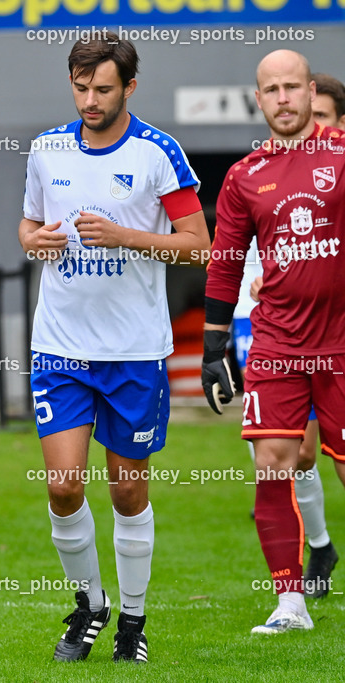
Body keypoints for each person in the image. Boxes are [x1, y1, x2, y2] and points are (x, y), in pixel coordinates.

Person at [19, 34, 210, 664]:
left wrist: (124, 234)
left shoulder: (159, 152)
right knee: (64, 486)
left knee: (128, 493)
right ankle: (89, 605)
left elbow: (197, 244)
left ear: (130, 86)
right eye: (80, 87)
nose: (89, 100)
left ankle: (133, 619)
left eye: (102, 89)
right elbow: (27, 224)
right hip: (60, 346)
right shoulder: (47, 149)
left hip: (133, 350)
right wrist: (36, 240)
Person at [202, 49, 345, 634]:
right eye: (272, 89)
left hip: (342, 345)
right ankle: (290, 604)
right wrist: (213, 349)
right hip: (278, 346)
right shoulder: (244, 176)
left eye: (292, 87)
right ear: (258, 99)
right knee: (272, 467)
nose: (283, 98)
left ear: (312, 92)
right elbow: (225, 264)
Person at [236, 253, 337, 598]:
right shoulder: (239, 201)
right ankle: (320, 548)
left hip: (308, 313)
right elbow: (222, 253)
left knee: (305, 454)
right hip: (247, 317)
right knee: (276, 449)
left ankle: (320, 545)